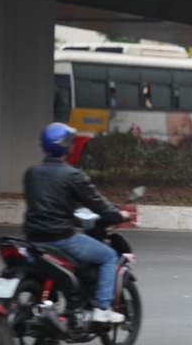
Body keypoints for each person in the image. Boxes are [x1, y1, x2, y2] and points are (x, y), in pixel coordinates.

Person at [23, 123, 131, 323]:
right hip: (61, 239)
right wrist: (118, 215)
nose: (73, 147)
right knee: (108, 256)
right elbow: (97, 203)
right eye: (71, 143)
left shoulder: (32, 173)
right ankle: (102, 308)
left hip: (33, 239)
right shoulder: (72, 175)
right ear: (66, 147)